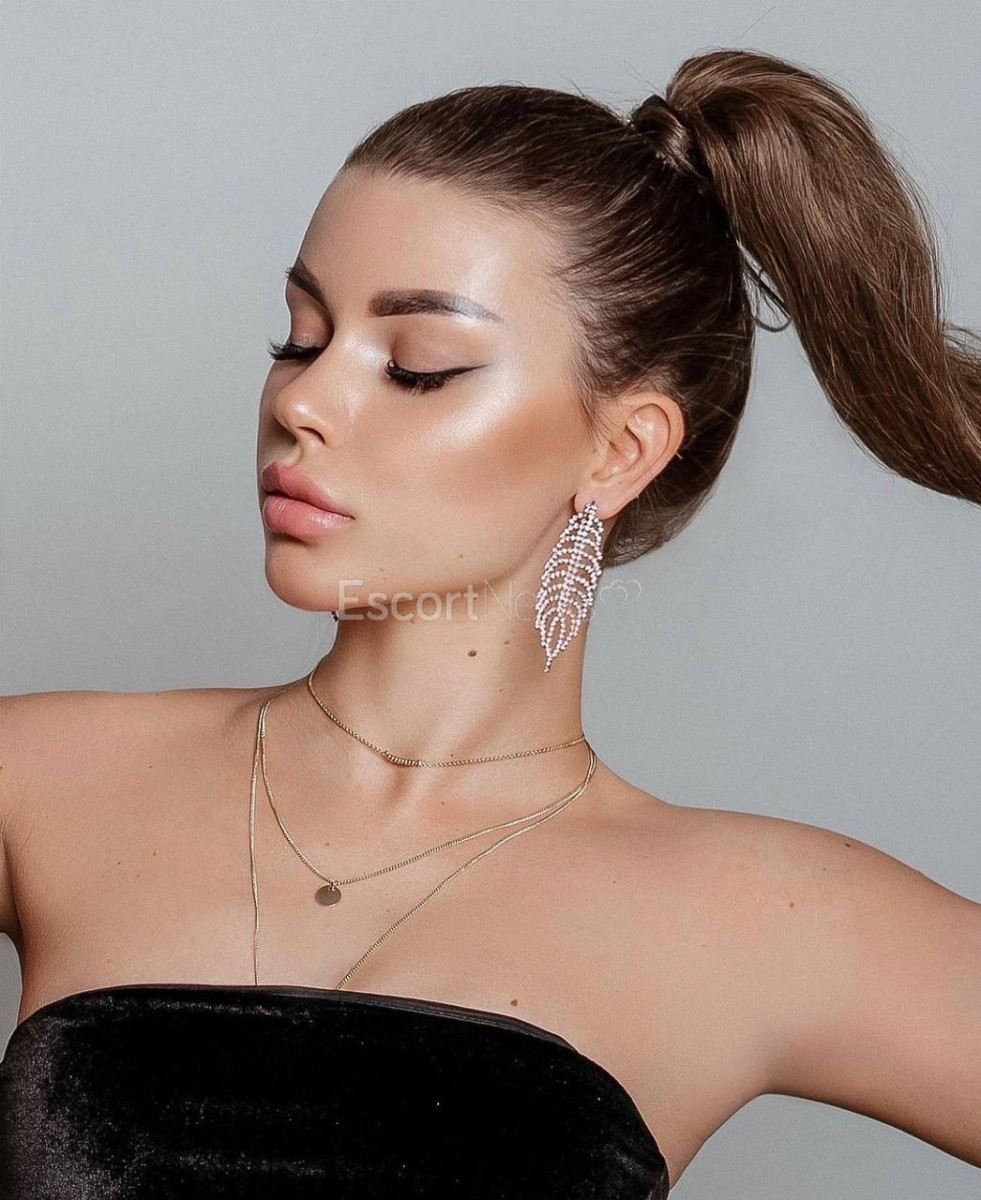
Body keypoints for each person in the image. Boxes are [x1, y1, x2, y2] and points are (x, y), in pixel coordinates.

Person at [1, 45, 979, 1199]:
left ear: (622, 451)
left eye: (418, 366)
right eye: (300, 337)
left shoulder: (773, 918)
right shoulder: (39, 784)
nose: (302, 399)